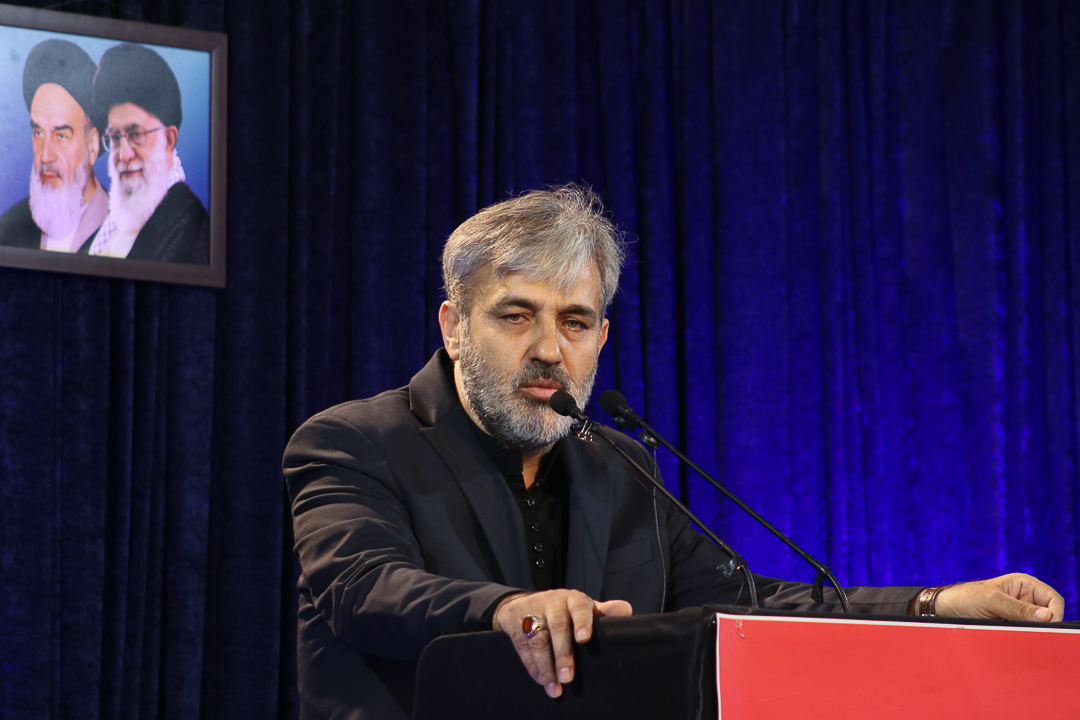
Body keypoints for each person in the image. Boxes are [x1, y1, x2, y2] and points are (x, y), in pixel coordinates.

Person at [283, 185, 1065, 720]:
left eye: (575, 322)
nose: (550, 348)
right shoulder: (353, 442)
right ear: (455, 327)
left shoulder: (620, 467)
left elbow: (750, 604)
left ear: (601, 338)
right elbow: (364, 588)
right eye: (516, 316)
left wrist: (935, 606)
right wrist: (503, 609)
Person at [86, 43, 209, 264]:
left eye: (136, 135)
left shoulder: (189, 227)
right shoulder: (112, 224)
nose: (124, 155)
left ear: (169, 140)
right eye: (115, 138)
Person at [0, 40, 108, 252]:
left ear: (92, 145)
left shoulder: (123, 232)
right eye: (38, 133)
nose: (45, 156)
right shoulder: (9, 229)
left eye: (61, 136)